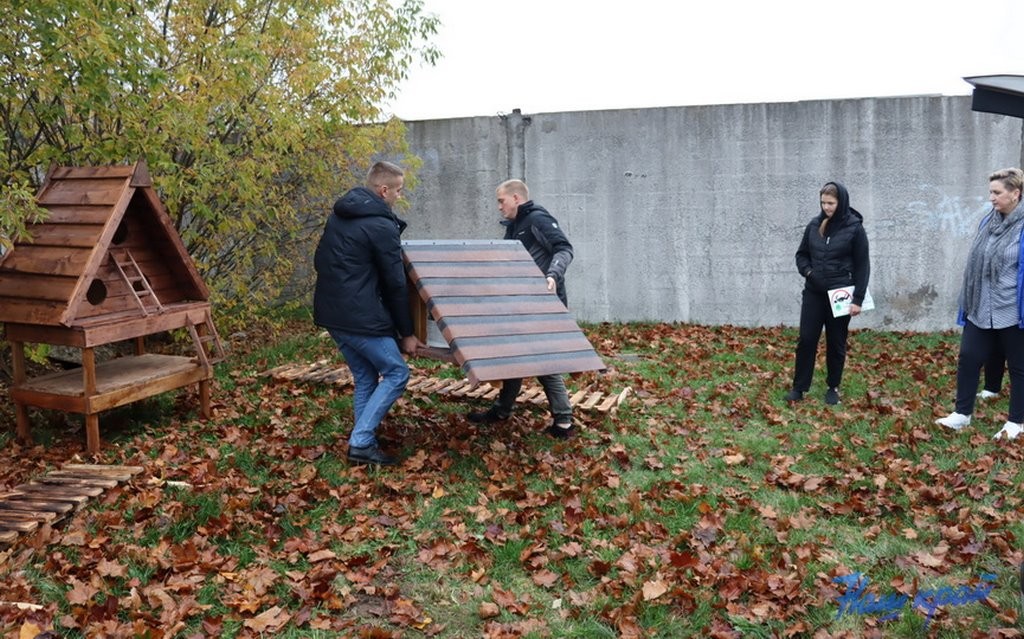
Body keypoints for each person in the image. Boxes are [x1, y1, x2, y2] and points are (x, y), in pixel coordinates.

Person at [313, 161, 422, 465]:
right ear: (383, 190)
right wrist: (407, 333)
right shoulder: (382, 225)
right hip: (359, 316)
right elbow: (395, 284)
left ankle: (363, 440)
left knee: (365, 376)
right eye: (398, 190)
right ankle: (361, 442)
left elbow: (319, 260)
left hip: (332, 313)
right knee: (397, 373)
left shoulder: (339, 216)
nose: (400, 196)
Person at [467, 179, 577, 439]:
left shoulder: (537, 219)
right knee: (514, 354)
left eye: (501, 201)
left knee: (542, 359)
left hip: (543, 303)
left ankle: (564, 421)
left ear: (516, 198)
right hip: (520, 303)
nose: (499, 206)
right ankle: (502, 410)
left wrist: (552, 275)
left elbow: (564, 248)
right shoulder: (515, 226)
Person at [936, 167, 1024, 441]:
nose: (991, 198)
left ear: (1015, 194)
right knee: (969, 357)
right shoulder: (989, 221)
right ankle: (962, 414)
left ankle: (1016, 422)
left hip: (1013, 309)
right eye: (990, 192)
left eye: (997, 193)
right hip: (981, 305)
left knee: (1019, 367)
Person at [784, 181, 870, 405]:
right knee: (806, 339)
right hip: (814, 293)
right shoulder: (814, 225)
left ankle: (833, 387)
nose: (826, 207)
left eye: (831, 203)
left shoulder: (855, 229)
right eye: (823, 203)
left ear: (841, 202)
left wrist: (858, 299)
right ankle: (799, 387)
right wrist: (809, 272)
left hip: (840, 295)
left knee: (836, 342)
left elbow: (863, 265)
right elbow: (801, 255)